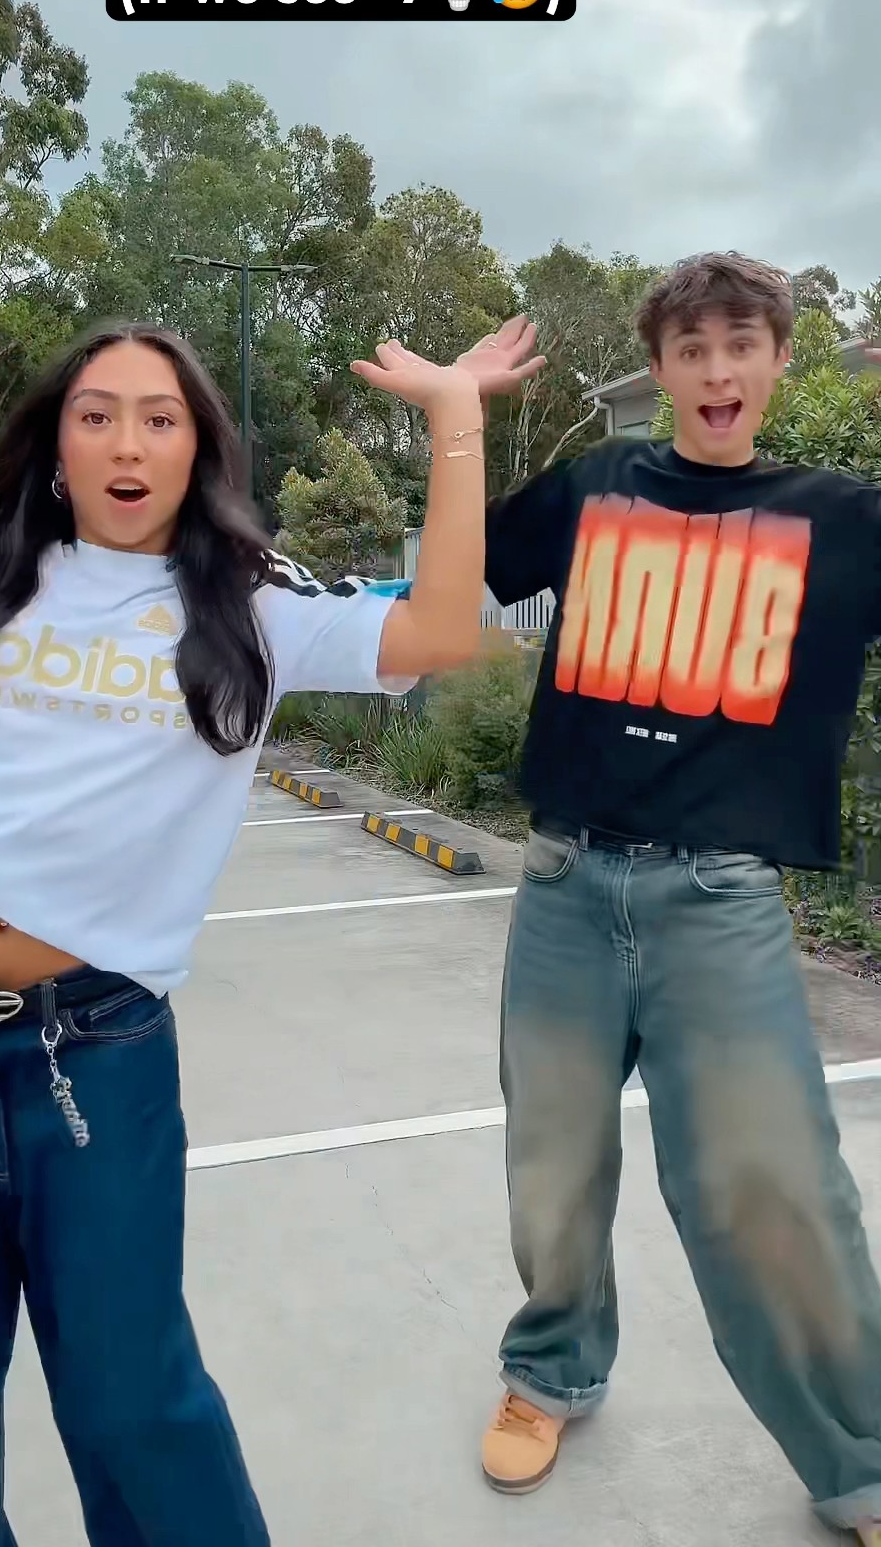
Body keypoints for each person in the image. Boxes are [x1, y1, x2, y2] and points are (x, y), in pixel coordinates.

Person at [0, 272, 544, 1547]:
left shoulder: (251, 603)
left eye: (159, 419)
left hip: (94, 1054)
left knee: (136, 1404)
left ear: (198, 449)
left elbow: (436, 631)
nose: (127, 444)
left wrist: (455, 418)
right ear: (58, 446)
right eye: (96, 416)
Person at [458, 253, 881, 1544]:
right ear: (660, 369)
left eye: (741, 344)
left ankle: (862, 1459)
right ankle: (551, 1370)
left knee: (774, 1184)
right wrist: (456, 420)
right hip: (566, 879)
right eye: (691, 348)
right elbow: (464, 567)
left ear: (778, 362)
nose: (715, 369)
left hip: (722, 900)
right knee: (553, 1167)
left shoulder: (840, 519)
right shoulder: (597, 486)